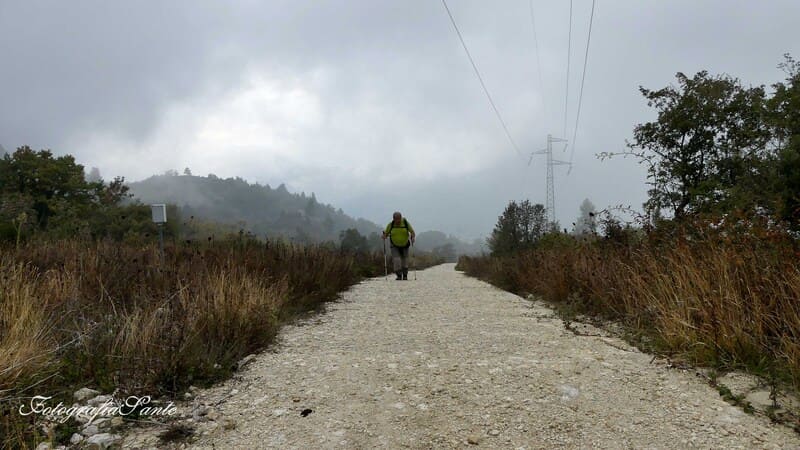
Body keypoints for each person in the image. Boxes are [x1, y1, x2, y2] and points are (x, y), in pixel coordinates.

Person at [382, 211, 415, 280]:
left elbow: (412, 231)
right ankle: (399, 275)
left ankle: (405, 275)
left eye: (399, 219)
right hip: (394, 245)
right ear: (393, 219)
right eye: (396, 219)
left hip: (405, 244)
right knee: (396, 260)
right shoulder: (390, 225)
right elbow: (386, 234)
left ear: (401, 218)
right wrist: (384, 236)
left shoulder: (405, 223)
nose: (398, 221)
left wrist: (413, 237)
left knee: (405, 260)